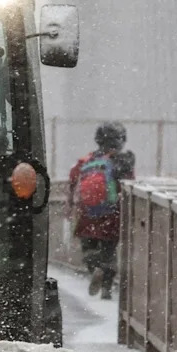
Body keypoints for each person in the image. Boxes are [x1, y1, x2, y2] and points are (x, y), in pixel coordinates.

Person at [67, 122, 135, 299]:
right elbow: (131, 186)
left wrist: (71, 207)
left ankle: (95, 267)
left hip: (88, 214)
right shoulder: (122, 162)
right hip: (112, 214)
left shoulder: (87, 161)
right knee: (109, 251)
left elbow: (73, 179)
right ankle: (107, 289)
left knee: (88, 250)